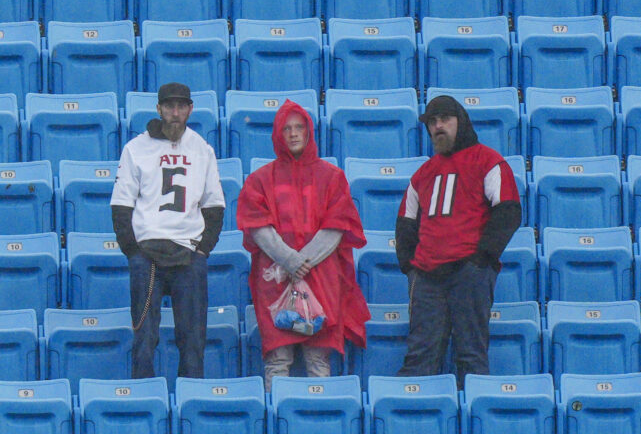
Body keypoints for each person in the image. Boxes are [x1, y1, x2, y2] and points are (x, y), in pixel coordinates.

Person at [238, 99, 368, 380]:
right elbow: (258, 226)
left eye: (299, 127)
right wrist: (290, 261)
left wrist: (298, 263)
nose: (294, 134)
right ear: (277, 134)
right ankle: (276, 422)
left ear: (309, 132)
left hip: (321, 277)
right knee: (277, 361)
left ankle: (319, 420)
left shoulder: (333, 177)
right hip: (275, 277)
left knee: (318, 360)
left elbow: (337, 225)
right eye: (286, 129)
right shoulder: (260, 180)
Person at [397, 93, 522, 377]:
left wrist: (481, 259)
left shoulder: (488, 161)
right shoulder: (423, 174)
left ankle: (475, 419)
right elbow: (405, 224)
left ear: (460, 122)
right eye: (432, 122)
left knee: (470, 355)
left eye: (444, 120)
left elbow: (509, 211)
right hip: (427, 277)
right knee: (420, 356)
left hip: (470, 273)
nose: (438, 127)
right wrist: (411, 269)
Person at [110, 81, 226, 379]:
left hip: (188, 256)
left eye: (181, 106)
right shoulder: (135, 148)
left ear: (190, 109)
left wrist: (202, 251)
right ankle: (143, 400)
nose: (175, 113)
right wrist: (133, 252)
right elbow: (121, 205)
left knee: (192, 340)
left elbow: (214, 206)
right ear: (159, 108)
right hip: (147, 257)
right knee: (145, 339)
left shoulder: (203, 149)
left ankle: (192, 401)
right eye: (169, 106)